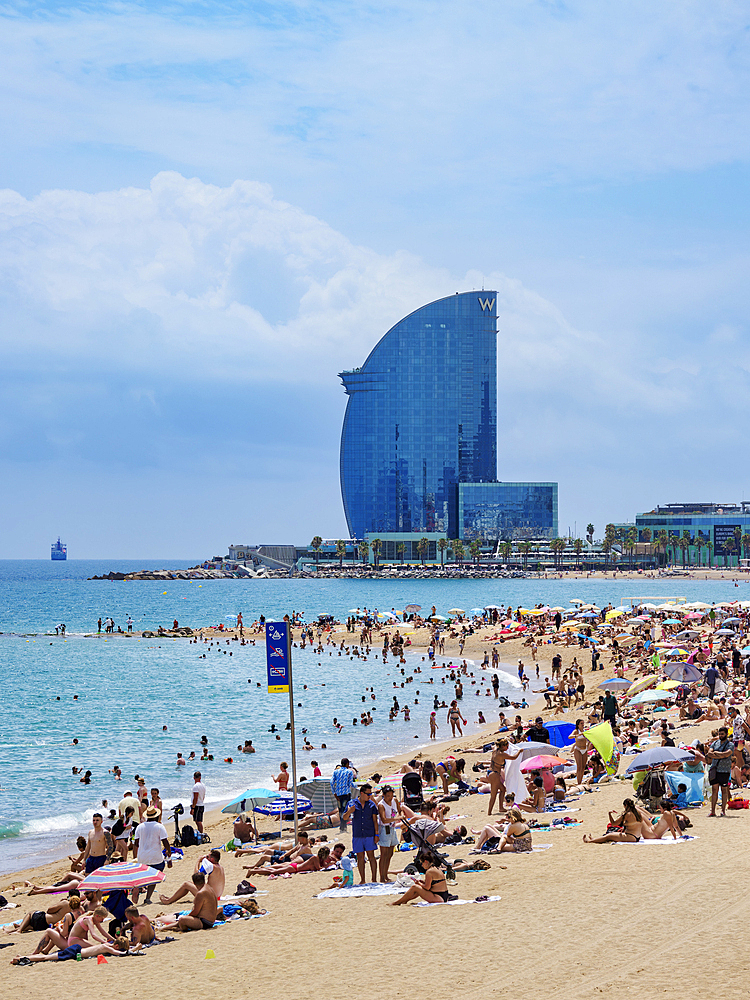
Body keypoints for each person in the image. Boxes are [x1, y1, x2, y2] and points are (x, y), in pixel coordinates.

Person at [132, 805, 172, 904]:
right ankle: (147, 898)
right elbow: (165, 842)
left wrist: (135, 857)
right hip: (156, 857)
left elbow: (136, 844)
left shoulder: (140, 827)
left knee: (144, 875)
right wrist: (169, 856)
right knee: (154, 877)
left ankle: (138, 886)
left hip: (142, 857)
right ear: (156, 816)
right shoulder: (159, 826)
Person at [343, 783, 379, 884]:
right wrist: (350, 811)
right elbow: (345, 818)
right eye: (368, 794)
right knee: (360, 857)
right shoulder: (352, 803)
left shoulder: (371, 805)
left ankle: (374, 879)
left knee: (371, 856)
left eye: (371, 794)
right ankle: (362, 879)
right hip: (357, 834)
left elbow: (375, 821)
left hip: (369, 833)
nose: (370, 796)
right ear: (362, 793)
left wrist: (376, 834)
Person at [159, 849, 225, 903]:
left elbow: (196, 876)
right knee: (189, 884)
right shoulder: (220, 868)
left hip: (210, 897)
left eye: (208, 856)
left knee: (186, 884)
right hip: (217, 896)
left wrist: (198, 861)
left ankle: (169, 901)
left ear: (212, 859)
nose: (206, 858)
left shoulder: (211, 866)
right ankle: (171, 898)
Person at [487, 739, 522, 816]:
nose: (507, 748)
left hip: (491, 773)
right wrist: (519, 751)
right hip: (495, 774)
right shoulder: (501, 754)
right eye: (507, 746)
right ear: (503, 746)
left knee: (503, 789)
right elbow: (514, 757)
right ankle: (489, 812)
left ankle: (501, 808)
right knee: (494, 794)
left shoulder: (495, 751)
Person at [707, 726, 734, 817]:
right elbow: (710, 753)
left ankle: (723, 810)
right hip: (715, 769)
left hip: (724, 770)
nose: (721, 735)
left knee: (724, 790)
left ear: (726, 734)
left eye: (722, 734)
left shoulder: (730, 744)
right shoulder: (715, 743)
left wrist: (717, 754)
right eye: (719, 734)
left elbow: (727, 754)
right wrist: (721, 755)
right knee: (714, 790)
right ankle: (713, 811)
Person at [377, 785, 400, 882]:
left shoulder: (395, 800)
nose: (390, 798)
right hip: (384, 829)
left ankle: (385, 875)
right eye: (388, 796)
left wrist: (400, 816)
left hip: (392, 828)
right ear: (384, 796)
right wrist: (396, 819)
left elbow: (400, 810)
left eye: (391, 795)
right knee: (384, 854)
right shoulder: (381, 805)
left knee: (390, 853)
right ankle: (382, 877)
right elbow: (384, 819)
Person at [330, 758, 357, 832]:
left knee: (340, 810)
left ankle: (342, 827)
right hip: (346, 793)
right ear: (347, 764)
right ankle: (343, 826)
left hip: (338, 794)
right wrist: (357, 787)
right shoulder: (349, 772)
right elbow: (350, 784)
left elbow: (331, 782)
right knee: (345, 810)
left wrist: (334, 792)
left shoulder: (336, 772)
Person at [191, 771, 206, 835]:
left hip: (197, 805)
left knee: (198, 822)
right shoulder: (203, 785)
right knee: (199, 821)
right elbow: (203, 796)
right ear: (200, 777)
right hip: (201, 804)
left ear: (194, 778)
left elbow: (195, 797)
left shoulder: (196, 786)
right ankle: (200, 834)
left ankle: (200, 834)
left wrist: (193, 808)